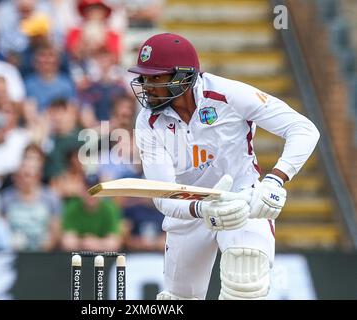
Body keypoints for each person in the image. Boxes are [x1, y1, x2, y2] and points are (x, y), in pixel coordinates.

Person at [128, 33, 320, 300]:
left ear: (184, 76)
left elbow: (303, 129)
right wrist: (202, 207)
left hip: (242, 199)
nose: (146, 86)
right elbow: (163, 195)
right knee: (178, 299)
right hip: (189, 206)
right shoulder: (147, 122)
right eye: (144, 78)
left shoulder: (228, 94)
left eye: (156, 78)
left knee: (246, 284)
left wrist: (275, 180)